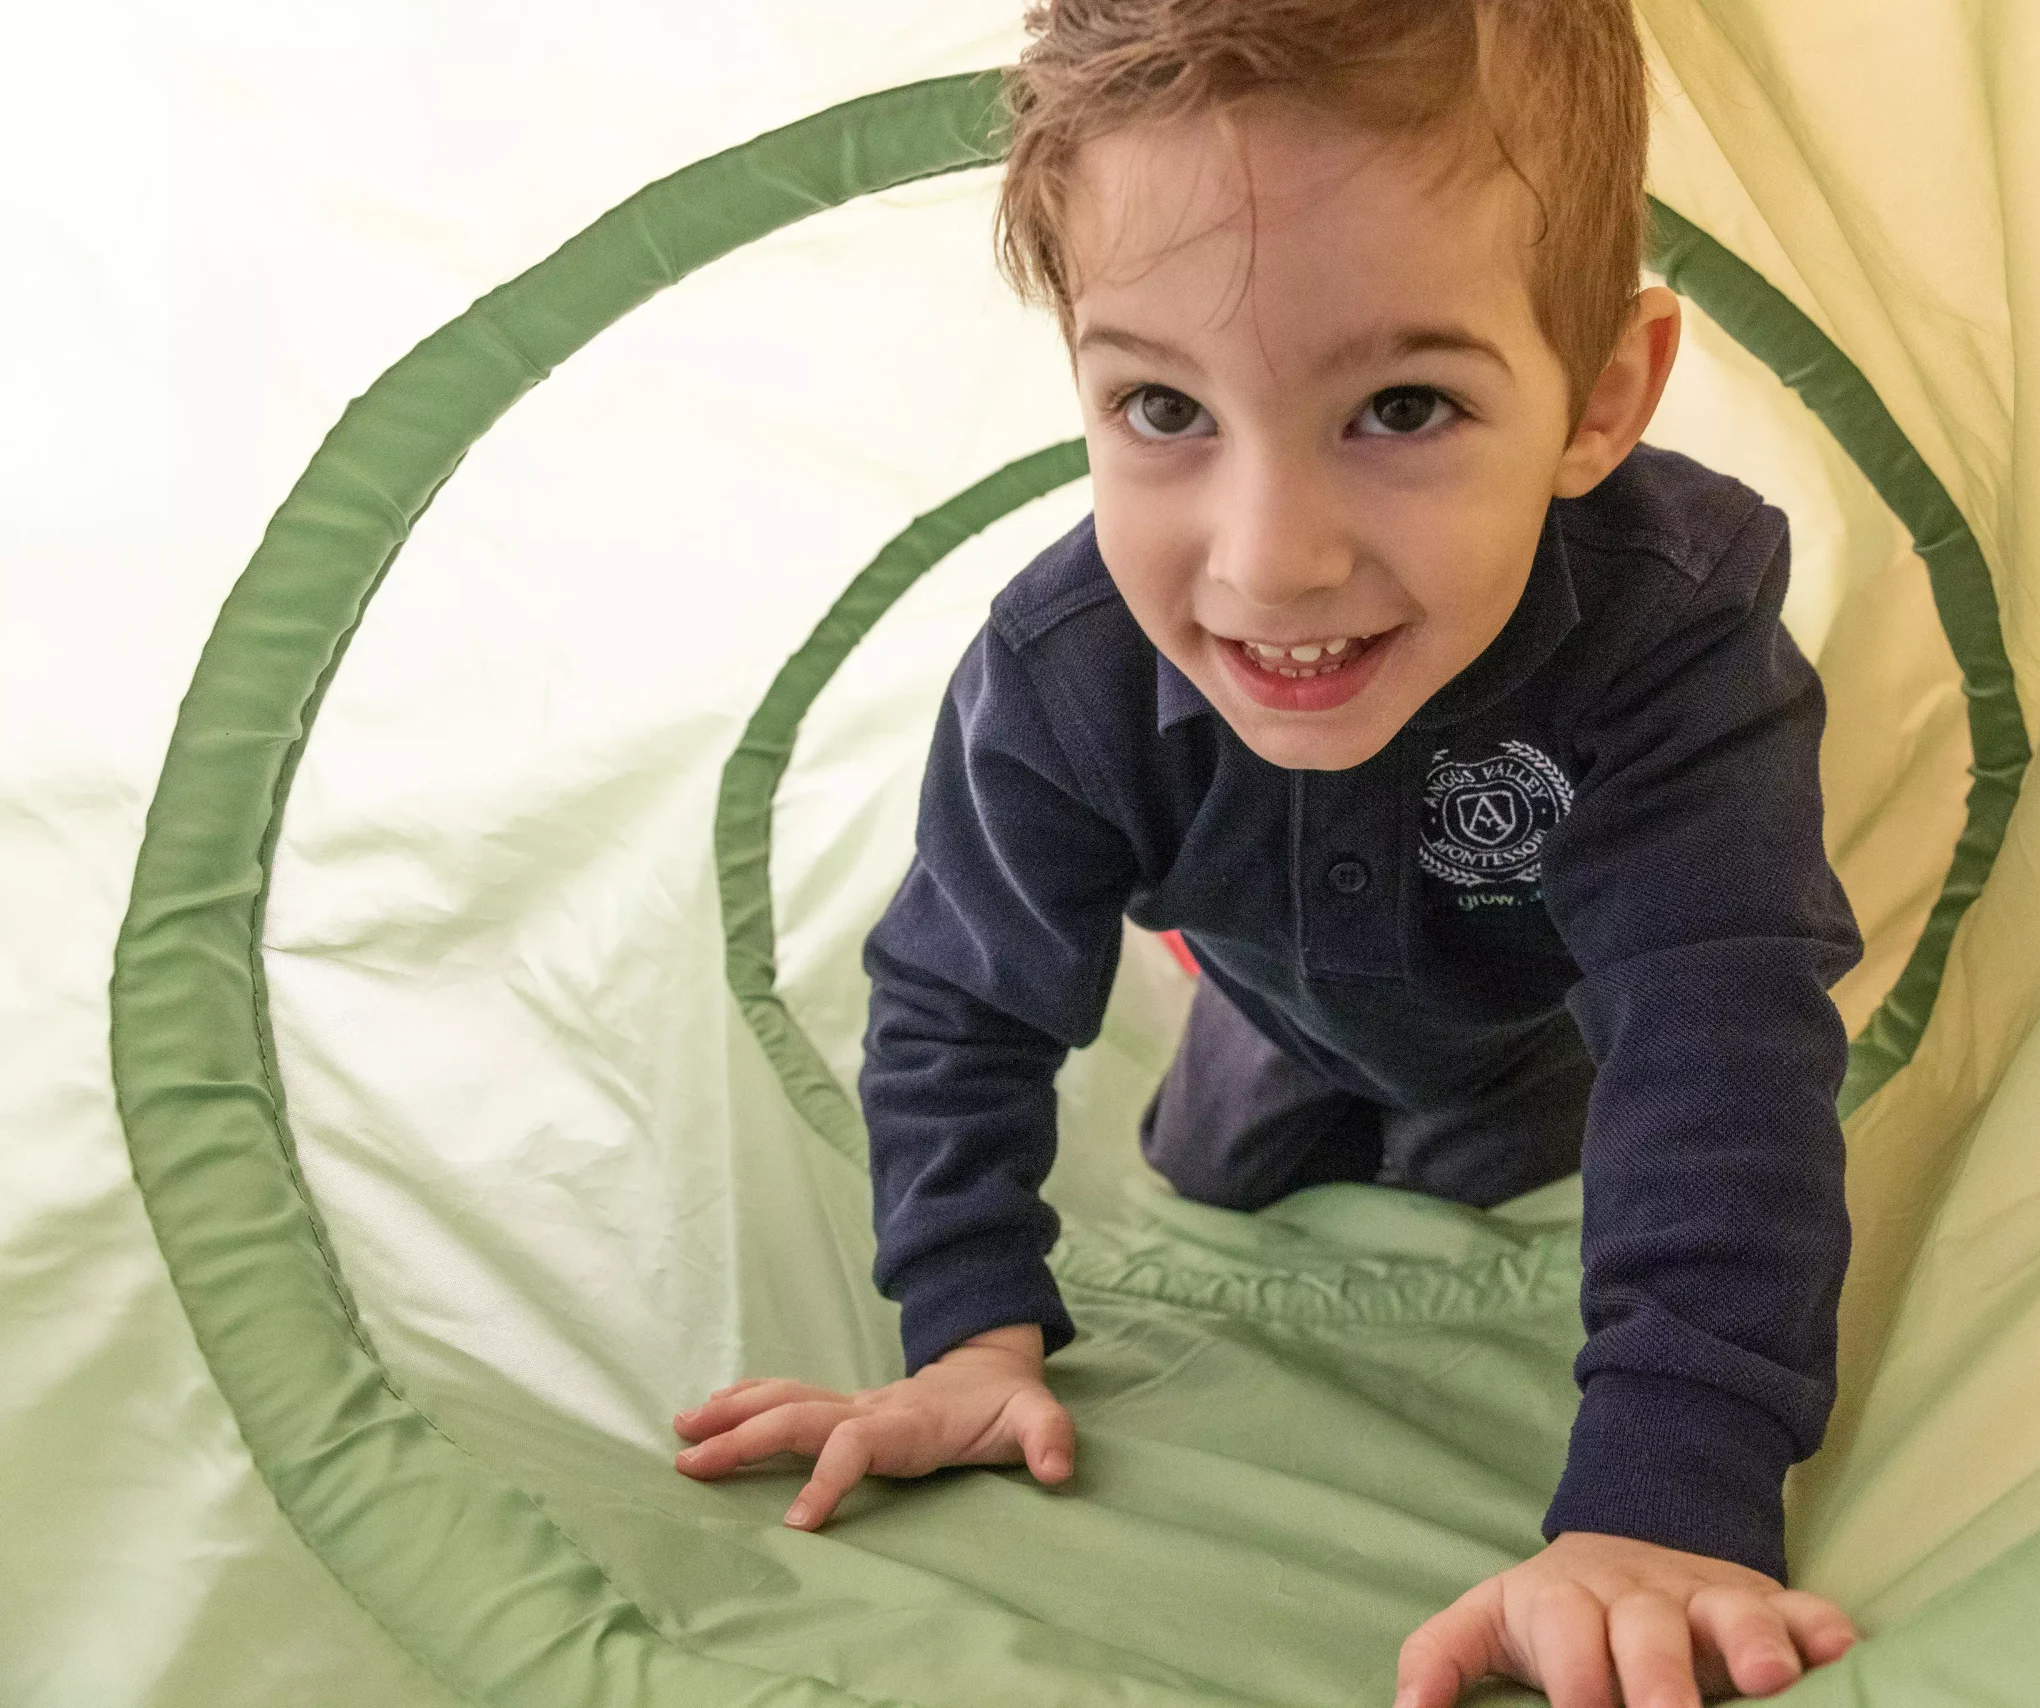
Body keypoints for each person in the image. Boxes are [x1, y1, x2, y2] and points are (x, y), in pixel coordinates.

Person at [674, 1, 1865, 1700]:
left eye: (1402, 406)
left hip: (1549, 1036)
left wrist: (1667, 1504)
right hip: (1271, 1002)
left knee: (1508, 1170)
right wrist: (969, 1333)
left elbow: (1720, 1043)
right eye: (1164, 405)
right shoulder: (1066, 671)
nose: (1269, 560)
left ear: (1599, 400)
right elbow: (956, 1000)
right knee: (1226, 1170)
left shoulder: (1672, 643)